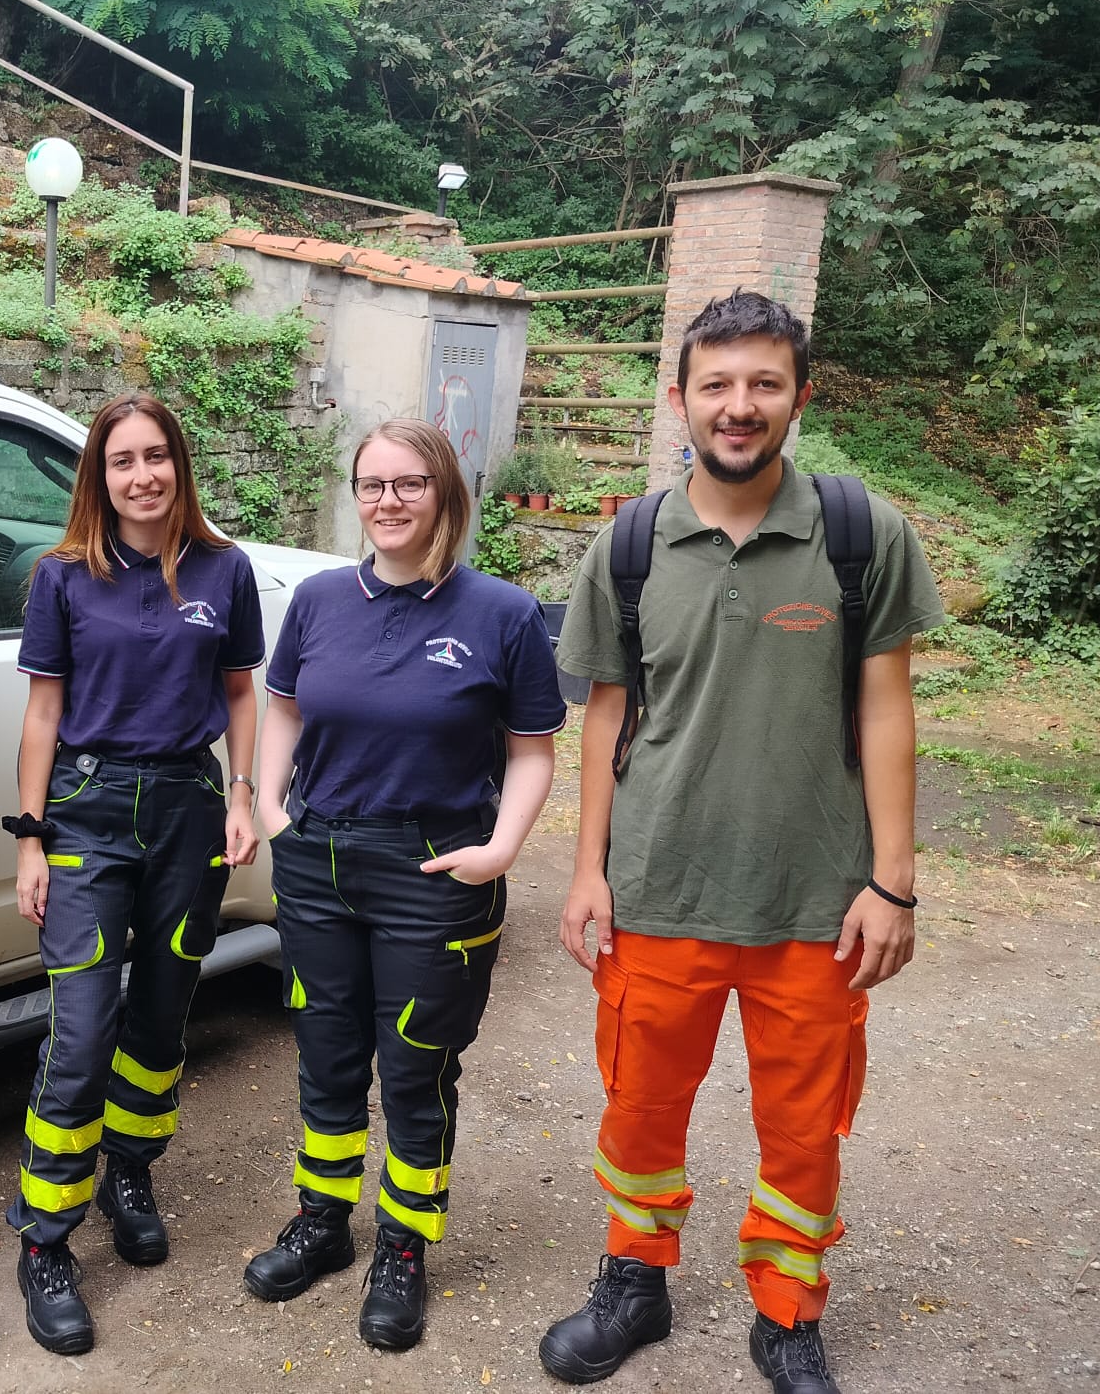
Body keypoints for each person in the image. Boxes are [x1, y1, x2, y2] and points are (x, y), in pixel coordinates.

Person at [541, 292, 945, 1394]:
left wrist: (891, 882)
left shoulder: (860, 536)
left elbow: (885, 711)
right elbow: (607, 720)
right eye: (715, 384)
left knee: (805, 1127)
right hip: (656, 891)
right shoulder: (627, 545)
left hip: (811, 902)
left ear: (798, 398)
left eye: (763, 383)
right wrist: (586, 871)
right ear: (678, 397)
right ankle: (633, 1276)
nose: (738, 406)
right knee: (638, 1107)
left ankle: (785, 1312)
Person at [246, 417, 565, 1351]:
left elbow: (533, 751)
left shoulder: (501, 614)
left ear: (445, 496)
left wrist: (501, 849)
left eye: (410, 484)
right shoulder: (317, 600)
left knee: (416, 1066)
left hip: (436, 868)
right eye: (373, 485)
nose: (389, 502)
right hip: (321, 862)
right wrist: (271, 808)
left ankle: (404, 1248)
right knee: (327, 1052)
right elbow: (283, 707)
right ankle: (323, 1222)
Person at [2, 394, 265, 1354]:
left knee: (159, 1018)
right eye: (123, 462)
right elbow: (41, 715)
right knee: (82, 1033)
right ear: (99, 477)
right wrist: (30, 837)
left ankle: (130, 1170)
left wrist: (243, 794)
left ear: (177, 466)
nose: (142, 475)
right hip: (89, 811)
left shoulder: (224, 570)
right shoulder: (64, 576)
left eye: (156, 457)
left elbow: (240, 690)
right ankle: (44, 1239)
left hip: (189, 812)